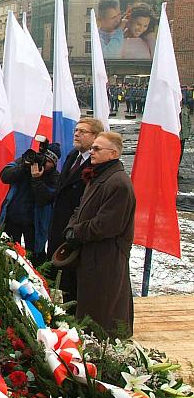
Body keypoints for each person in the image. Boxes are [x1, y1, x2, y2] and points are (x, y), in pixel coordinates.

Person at [64, 131, 135, 337]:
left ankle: (105, 342)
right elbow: (80, 209)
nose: (91, 151)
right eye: (92, 147)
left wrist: (76, 232)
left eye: (97, 148)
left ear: (113, 154)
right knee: (90, 301)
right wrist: (71, 227)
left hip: (106, 256)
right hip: (91, 252)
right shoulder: (100, 176)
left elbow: (106, 225)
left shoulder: (118, 183)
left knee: (104, 305)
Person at [47, 117, 104, 304]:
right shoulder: (73, 155)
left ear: (95, 137)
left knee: (72, 282)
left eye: (83, 131)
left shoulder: (97, 165)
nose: (77, 134)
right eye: (76, 130)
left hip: (76, 230)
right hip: (59, 225)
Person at [0, 142, 61, 265]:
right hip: (13, 217)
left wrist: (36, 179)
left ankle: (38, 279)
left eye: (47, 161)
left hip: (35, 223)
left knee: (35, 256)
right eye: (42, 159)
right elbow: (4, 175)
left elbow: (45, 198)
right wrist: (23, 167)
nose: (42, 163)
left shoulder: (54, 177)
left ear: (53, 164)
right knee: (8, 252)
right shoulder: (25, 162)